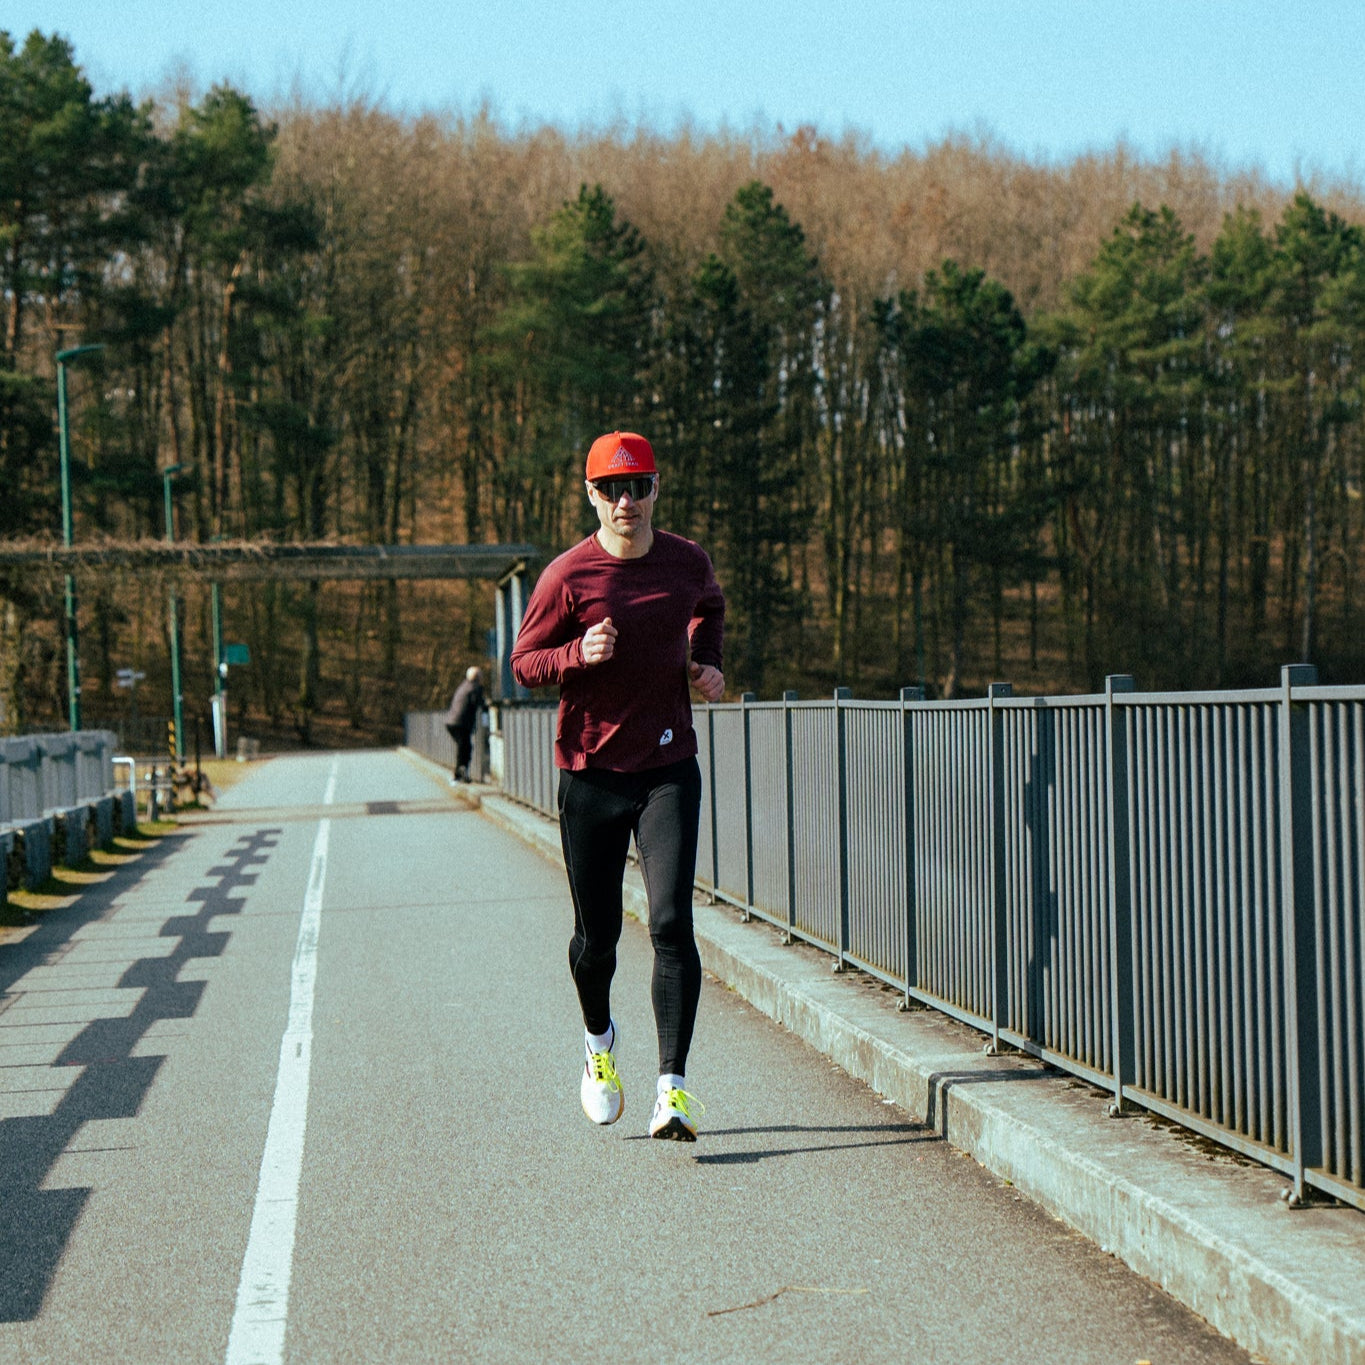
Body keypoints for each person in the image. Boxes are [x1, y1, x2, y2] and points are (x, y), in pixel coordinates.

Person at [511, 430, 725, 1142]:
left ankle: (673, 1088)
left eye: (638, 486)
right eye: (611, 488)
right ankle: (598, 1044)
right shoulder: (567, 576)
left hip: (667, 766)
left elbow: (710, 607)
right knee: (595, 938)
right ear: (590, 494)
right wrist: (577, 652)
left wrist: (707, 662)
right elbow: (523, 662)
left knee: (669, 923)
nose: (625, 500)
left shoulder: (686, 561)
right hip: (591, 773)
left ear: (657, 488)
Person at [444, 666, 487, 783]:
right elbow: (477, 702)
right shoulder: (475, 687)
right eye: (481, 676)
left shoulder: (464, 685)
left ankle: (460, 772)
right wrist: (485, 706)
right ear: (477, 677)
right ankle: (459, 773)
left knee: (464, 746)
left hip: (452, 721)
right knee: (464, 747)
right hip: (460, 722)